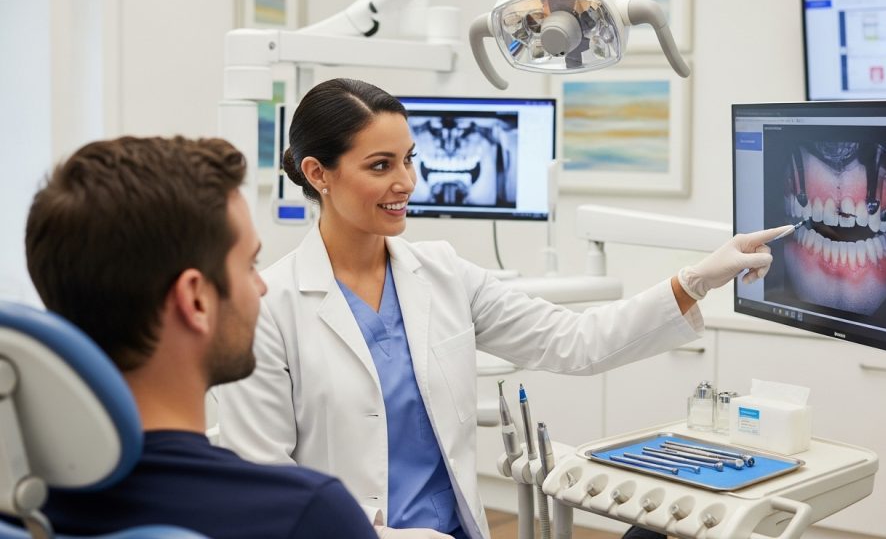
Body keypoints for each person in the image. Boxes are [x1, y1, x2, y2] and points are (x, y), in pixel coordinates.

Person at [213, 78, 790, 539]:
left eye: (409, 159)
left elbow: (576, 342)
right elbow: (266, 487)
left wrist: (696, 279)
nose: (407, 182)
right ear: (318, 174)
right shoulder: (270, 308)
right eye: (381, 165)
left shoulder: (439, 271)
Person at [22, 136, 378, 539]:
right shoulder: (305, 515)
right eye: (249, 265)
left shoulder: (21, 505)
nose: (260, 287)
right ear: (195, 300)